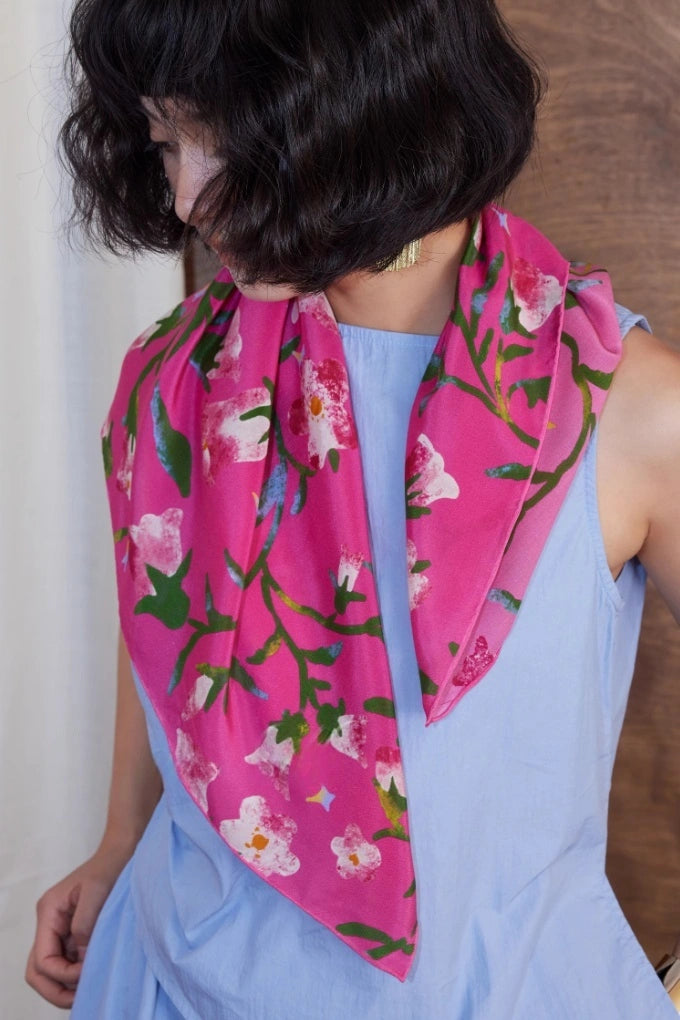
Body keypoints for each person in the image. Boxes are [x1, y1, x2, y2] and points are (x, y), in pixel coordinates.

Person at [25, 0, 680, 1016]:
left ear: (363, 102)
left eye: (226, 135)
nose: (189, 197)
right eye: (164, 143)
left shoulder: (624, 409)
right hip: (163, 982)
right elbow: (165, 609)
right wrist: (118, 846)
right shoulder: (169, 378)